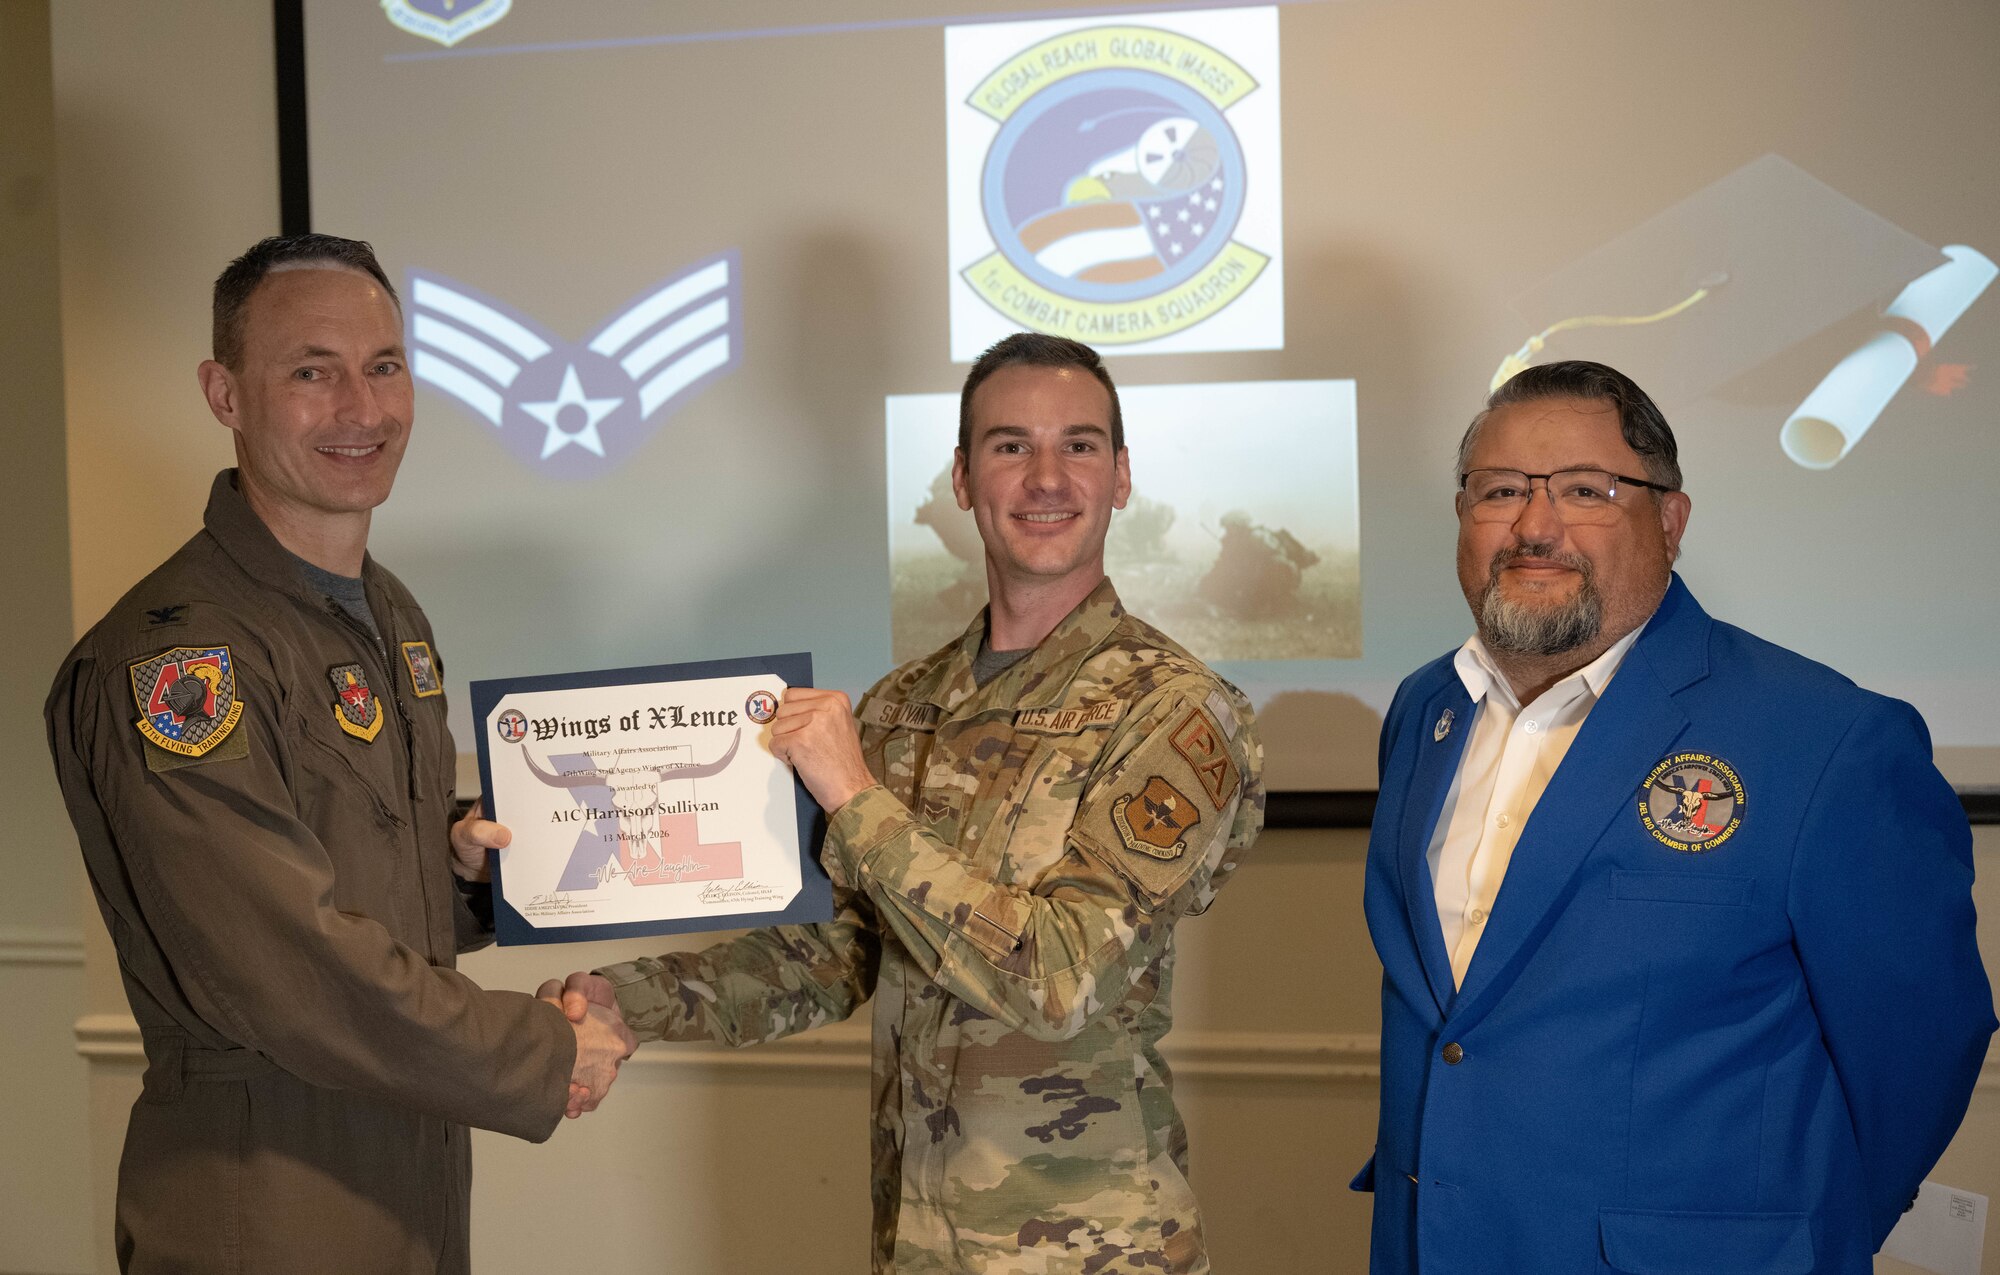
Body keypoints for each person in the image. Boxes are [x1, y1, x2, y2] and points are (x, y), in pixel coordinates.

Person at [548, 333, 1264, 1273]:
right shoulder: (901, 707)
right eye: (1011, 447)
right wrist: (631, 1001)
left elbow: (1059, 979)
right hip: (914, 1240)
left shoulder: (1175, 711)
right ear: (963, 479)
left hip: (1091, 1252)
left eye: (1080, 446)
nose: (1047, 476)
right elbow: (841, 953)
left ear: (1121, 476)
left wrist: (850, 792)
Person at [44, 233, 637, 1274]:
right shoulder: (180, 659)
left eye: (384, 366)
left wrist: (464, 868)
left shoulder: (387, 612)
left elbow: (349, 865)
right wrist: (543, 1050)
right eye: (311, 372)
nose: (361, 410)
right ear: (224, 394)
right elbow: (285, 963)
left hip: (410, 1165)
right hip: (265, 1190)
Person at [1355, 360, 1994, 1273]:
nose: (1536, 525)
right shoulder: (1426, 711)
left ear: (1670, 519)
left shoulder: (1827, 739)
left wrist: (1802, 1237)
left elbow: (1920, 1049)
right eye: (1501, 491)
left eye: (1586, 489)